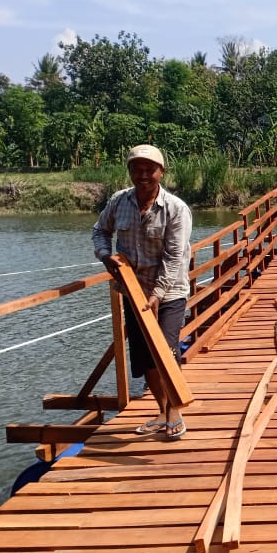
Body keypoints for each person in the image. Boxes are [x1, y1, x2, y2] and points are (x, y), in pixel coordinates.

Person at [92, 144, 193, 439]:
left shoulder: (175, 209)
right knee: (144, 356)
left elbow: (175, 257)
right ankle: (162, 410)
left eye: (150, 169)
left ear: (161, 172)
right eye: (137, 168)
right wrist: (105, 255)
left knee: (166, 350)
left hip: (170, 291)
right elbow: (100, 230)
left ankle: (175, 410)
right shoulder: (118, 202)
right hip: (132, 291)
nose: (143, 175)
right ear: (130, 172)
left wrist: (158, 294)